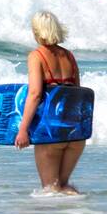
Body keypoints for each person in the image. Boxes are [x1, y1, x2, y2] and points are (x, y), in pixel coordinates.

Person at [14, 11, 84, 194]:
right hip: (75, 135)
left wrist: (23, 130)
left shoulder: (37, 56)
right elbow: (77, 94)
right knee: (64, 188)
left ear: (37, 31)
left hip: (51, 134)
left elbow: (35, 94)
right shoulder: (69, 57)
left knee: (50, 191)